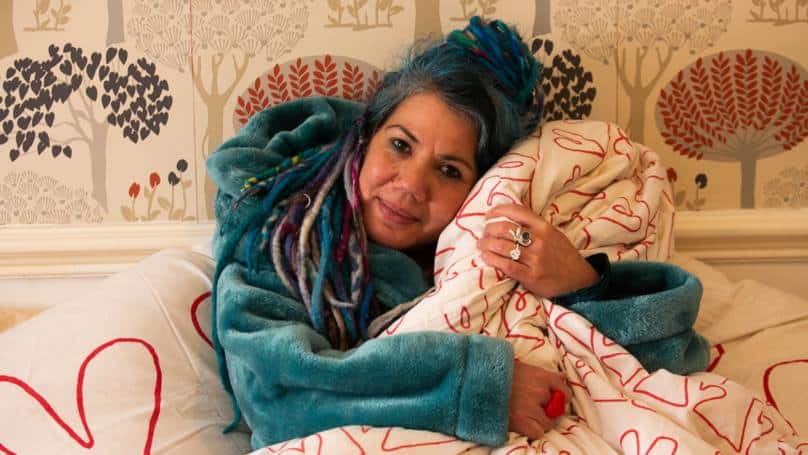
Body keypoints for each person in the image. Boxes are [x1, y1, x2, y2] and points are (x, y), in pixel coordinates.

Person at [207, 16, 707, 450]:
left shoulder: (488, 243)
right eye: (400, 146)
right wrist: (476, 388)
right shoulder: (285, 237)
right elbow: (275, 398)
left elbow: (656, 366)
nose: (410, 185)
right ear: (365, 136)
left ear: (479, 186)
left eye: (448, 170)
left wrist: (580, 283)